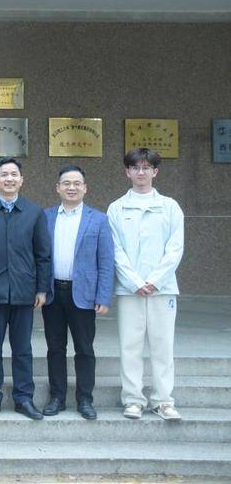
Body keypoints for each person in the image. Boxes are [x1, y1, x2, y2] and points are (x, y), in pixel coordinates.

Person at [107, 148, 184, 421]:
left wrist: (154, 281)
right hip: (130, 291)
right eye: (135, 168)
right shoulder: (116, 208)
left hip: (163, 289)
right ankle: (133, 400)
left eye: (146, 168)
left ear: (155, 171)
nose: (141, 172)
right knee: (130, 346)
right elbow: (115, 251)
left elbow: (175, 249)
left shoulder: (170, 207)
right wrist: (135, 282)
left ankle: (163, 401)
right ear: (127, 172)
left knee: (163, 346)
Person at [0, 157, 51, 420]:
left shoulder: (34, 212)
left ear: (21, 180)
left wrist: (41, 289)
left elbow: (43, 255)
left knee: (23, 349)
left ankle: (24, 398)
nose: (9, 179)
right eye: (4, 175)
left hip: (24, 292)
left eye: (14, 174)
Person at [41, 164, 114, 421]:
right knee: (55, 348)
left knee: (84, 348)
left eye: (76, 183)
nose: (71, 187)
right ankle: (57, 397)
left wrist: (103, 296)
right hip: (53, 292)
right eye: (66, 183)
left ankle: (85, 399)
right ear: (57, 188)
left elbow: (106, 261)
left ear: (85, 188)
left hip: (83, 295)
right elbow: (39, 256)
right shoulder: (46, 217)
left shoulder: (99, 219)